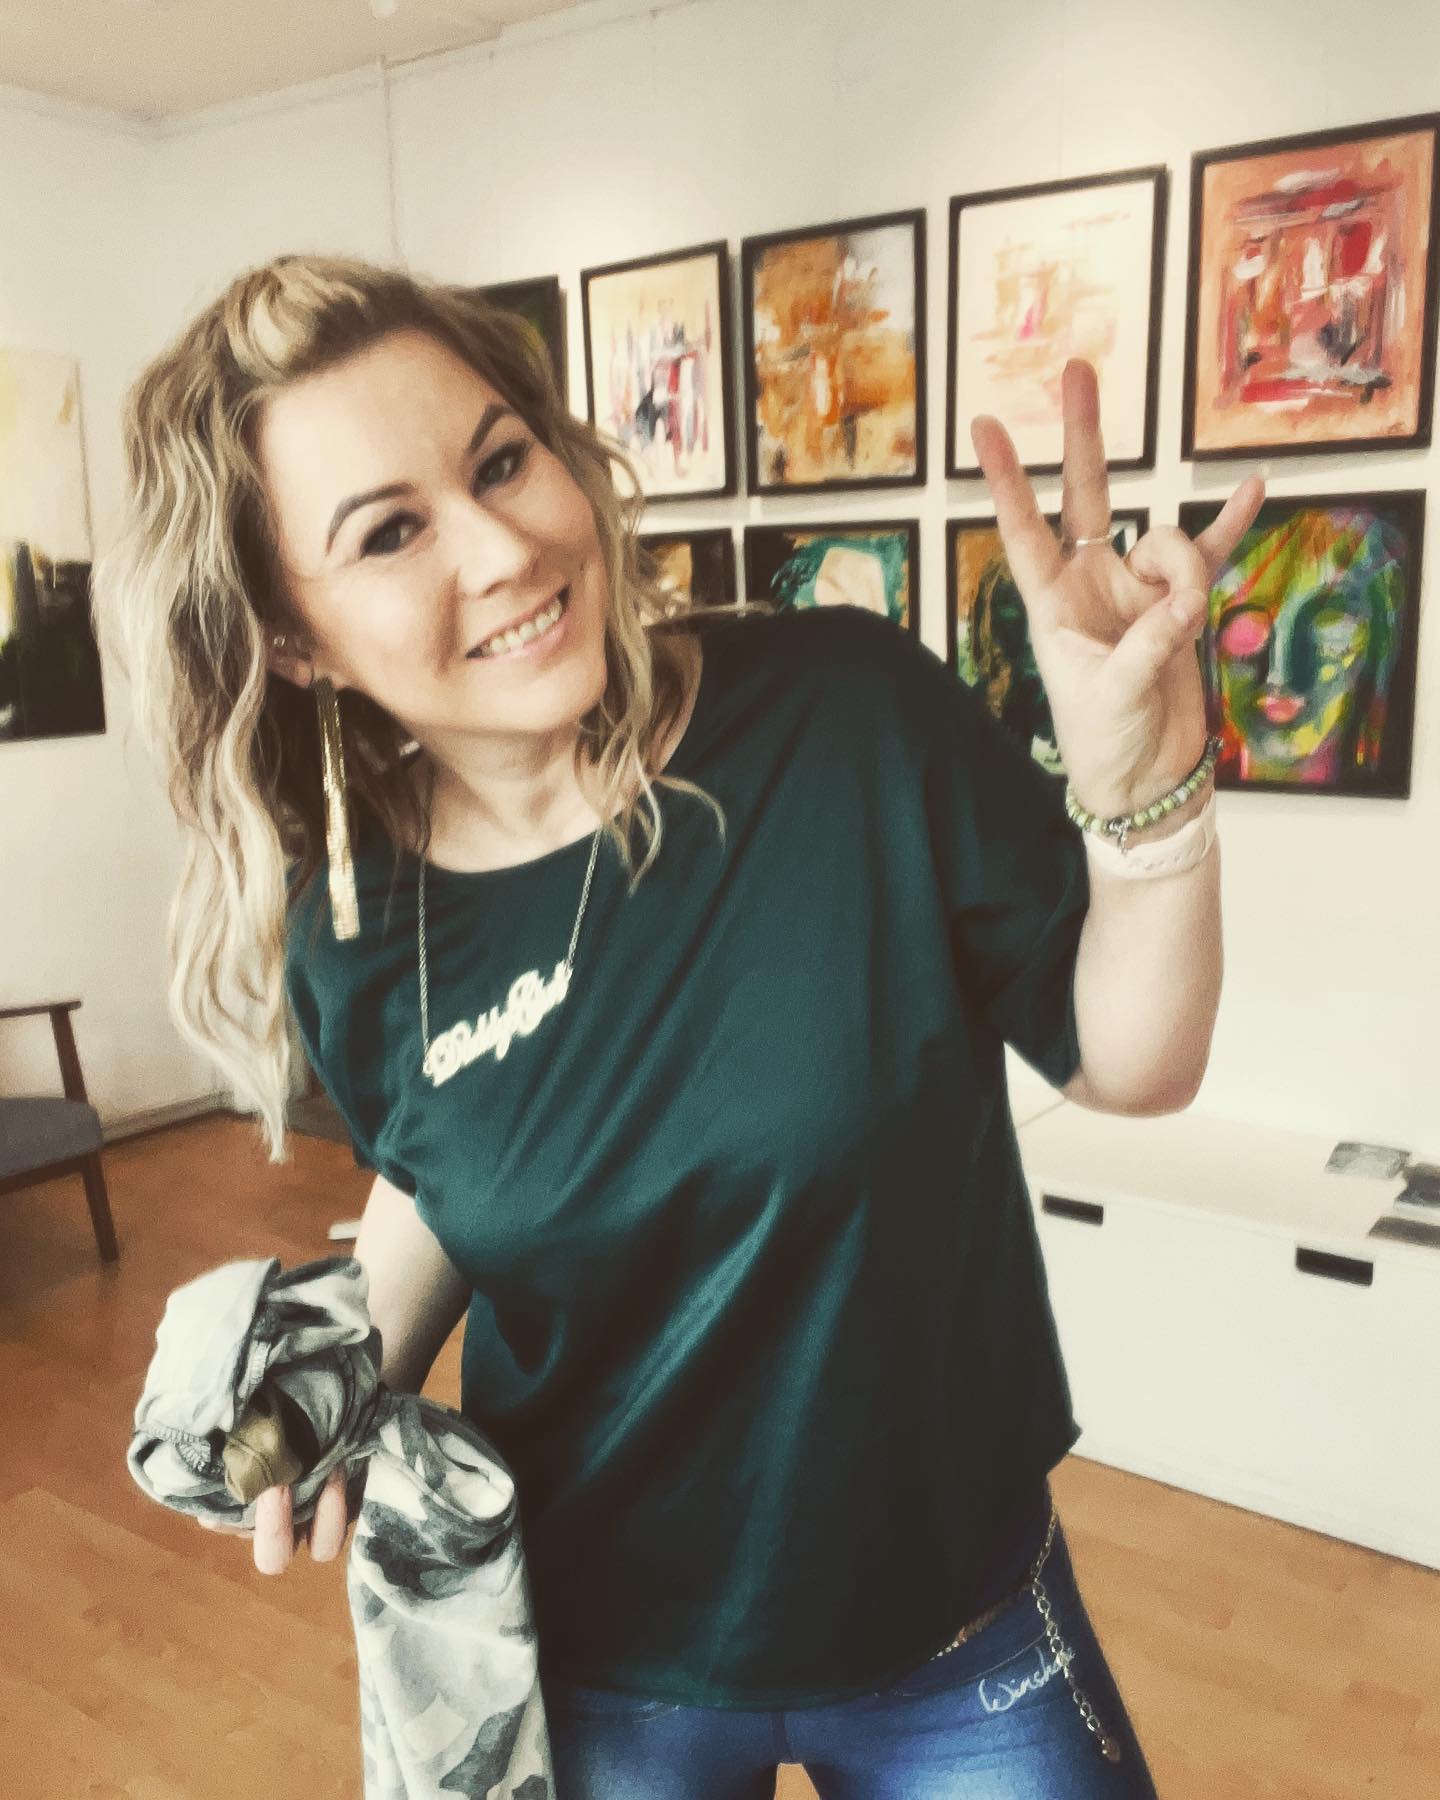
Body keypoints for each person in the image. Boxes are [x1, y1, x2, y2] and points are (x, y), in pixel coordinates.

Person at [94, 252, 1263, 1800]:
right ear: (292, 639)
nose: (506, 547)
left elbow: (1138, 1059)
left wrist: (1147, 795)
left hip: (957, 1628)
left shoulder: (846, 716)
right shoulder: (357, 927)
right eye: (388, 532)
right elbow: (452, 1179)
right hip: (605, 1653)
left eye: (499, 461)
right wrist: (321, 1387)